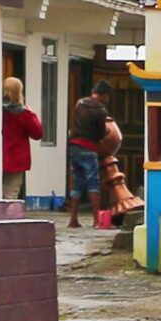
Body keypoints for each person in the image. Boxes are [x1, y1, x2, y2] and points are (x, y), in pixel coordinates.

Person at [66, 85, 110, 227]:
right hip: (89, 147)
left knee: (77, 182)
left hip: (74, 146)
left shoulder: (79, 103)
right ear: (103, 95)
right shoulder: (101, 110)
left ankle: (73, 219)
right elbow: (101, 133)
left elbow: (73, 124)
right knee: (93, 182)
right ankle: (97, 220)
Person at [0, 77, 43, 201]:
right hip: (16, 158)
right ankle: (8, 218)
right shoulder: (24, 114)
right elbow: (37, 134)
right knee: (11, 193)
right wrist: (32, 114)